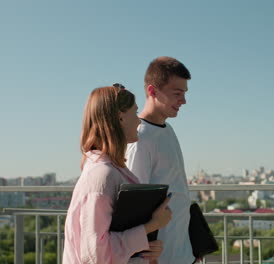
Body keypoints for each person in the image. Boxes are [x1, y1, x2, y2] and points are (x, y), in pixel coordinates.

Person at [63, 84, 172, 264]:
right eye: (135, 113)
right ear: (120, 118)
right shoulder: (102, 176)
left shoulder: (110, 170)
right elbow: (97, 256)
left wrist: (147, 248)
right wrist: (151, 226)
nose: (139, 121)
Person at [126, 57, 195, 264]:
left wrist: (190, 248)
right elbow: (135, 209)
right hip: (160, 258)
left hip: (181, 253)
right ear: (152, 91)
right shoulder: (140, 138)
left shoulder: (167, 130)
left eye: (184, 94)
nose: (183, 101)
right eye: (177, 93)